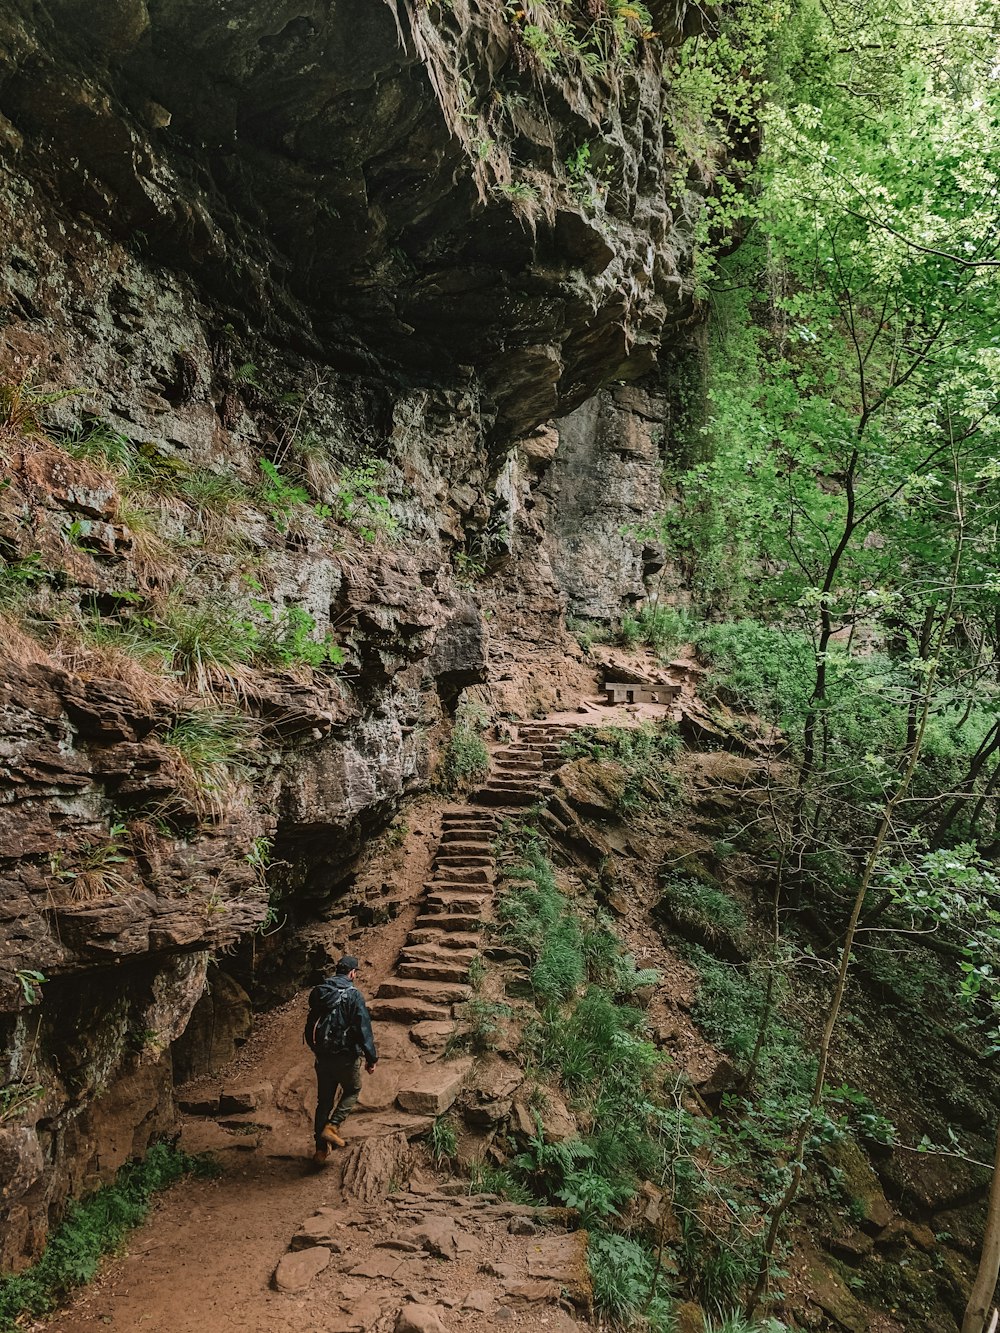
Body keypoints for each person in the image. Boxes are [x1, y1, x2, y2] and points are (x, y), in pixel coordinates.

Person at [304, 955, 378, 1166]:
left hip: (322, 1057)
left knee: (324, 1102)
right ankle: (332, 1127)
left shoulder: (321, 992)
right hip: (345, 1056)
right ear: (352, 973)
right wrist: (371, 1058)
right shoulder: (353, 995)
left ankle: (320, 1149)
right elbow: (363, 1029)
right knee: (353, 1089)